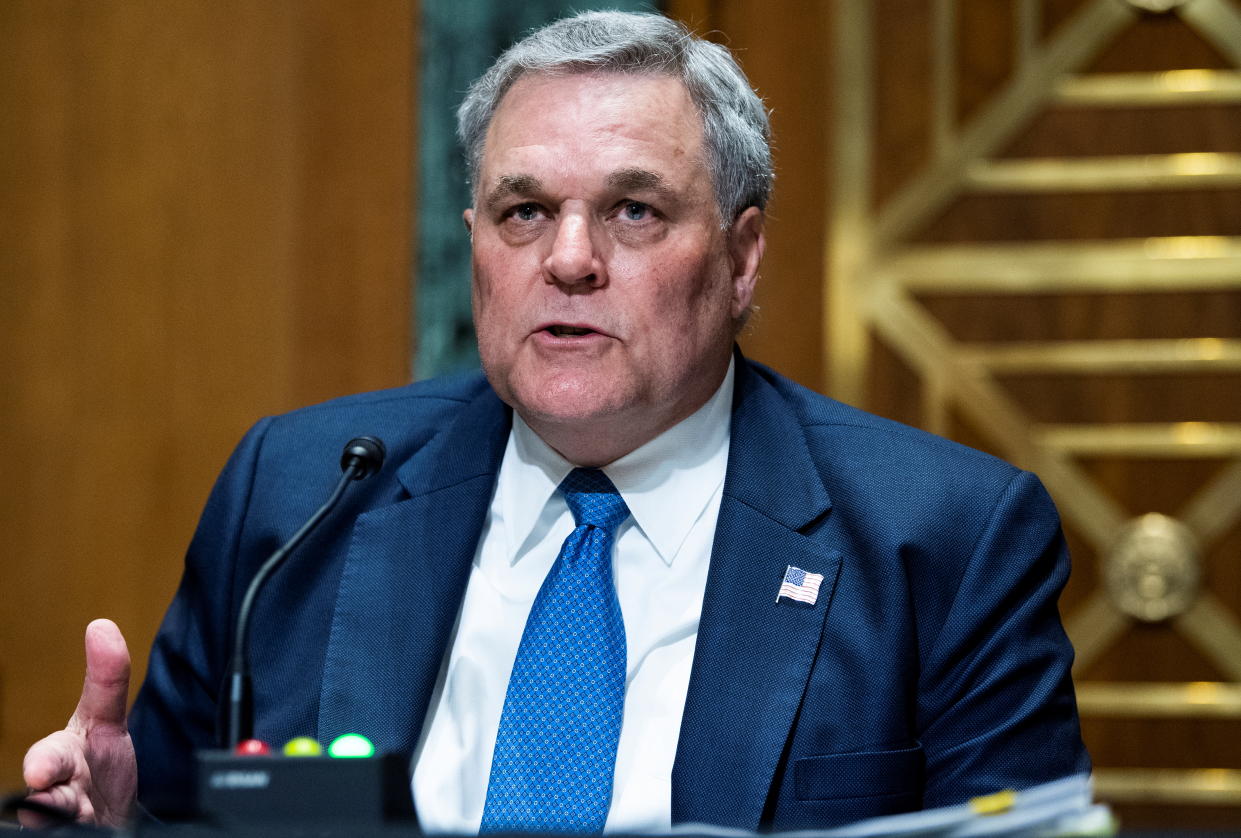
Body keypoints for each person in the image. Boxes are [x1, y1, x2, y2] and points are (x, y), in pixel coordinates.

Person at [23, 10, 1090, 833]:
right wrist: (115, 822)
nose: (568, 259)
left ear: (741, 255)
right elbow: (168, 810)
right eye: (523, 211)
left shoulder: (944, 540)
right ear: (474, 242)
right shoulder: (302, 493)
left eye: (633, 210)